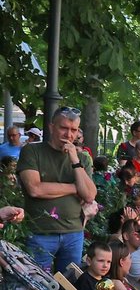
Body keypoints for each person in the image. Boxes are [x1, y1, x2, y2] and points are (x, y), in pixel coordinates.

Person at [16, 106, 97, 273]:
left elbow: (89, 195)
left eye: (74, 130)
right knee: (38, 284)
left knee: (70, 285)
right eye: (64, 128)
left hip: (74, 233)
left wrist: (74, 160)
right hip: (40, 233)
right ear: (52, 127)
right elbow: (35, 189)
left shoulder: (81, 158)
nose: (69, 134)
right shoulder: (32, 151)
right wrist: (74, 188)